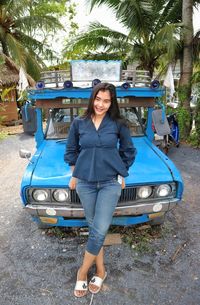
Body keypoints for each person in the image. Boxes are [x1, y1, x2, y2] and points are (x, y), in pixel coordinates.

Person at [64, 82, 136, 297]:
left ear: (112, 102)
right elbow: (71, 149)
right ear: (92, 98)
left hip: (108, 183)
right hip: (84, 183)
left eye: (106, 101)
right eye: (98, 99)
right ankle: (101, 270)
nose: (101, 104)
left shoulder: (118, 124)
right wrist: (74, 174)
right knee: (96, 228)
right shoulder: (79, 123)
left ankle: (82, 272)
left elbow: (128, 150)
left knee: (99, 228)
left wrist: (120, 172)